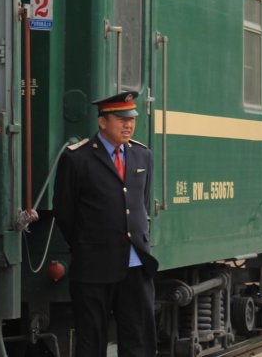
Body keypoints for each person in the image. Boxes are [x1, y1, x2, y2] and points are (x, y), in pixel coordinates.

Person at [53, 91, 158, 356]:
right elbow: (65, 213)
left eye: (131, 119)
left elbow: (140, 204)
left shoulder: (142, 156)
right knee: (91, 340)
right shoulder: (77, 158)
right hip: (93, 267)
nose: (128, 125)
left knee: (138, 340)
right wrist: (88, 245)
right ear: (102, 122)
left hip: (135, 264)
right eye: (121, 119)